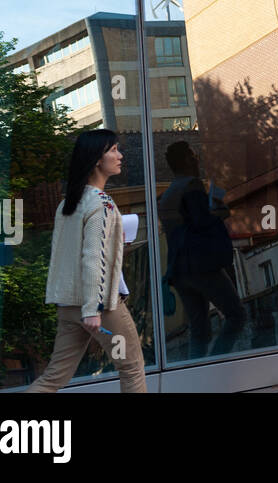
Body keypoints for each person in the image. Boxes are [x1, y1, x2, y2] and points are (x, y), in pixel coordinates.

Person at [26, 129, 147, 393]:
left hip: (69, 305)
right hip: (99, 306)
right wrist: (92, 309)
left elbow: (71, 255)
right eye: (113, 149)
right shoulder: (101, 203)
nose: (120, 155)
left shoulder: (68, 204)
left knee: (53, 378)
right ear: (96, 159)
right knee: (132, 368)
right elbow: (93, 258)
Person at [157, 141, 245, 359]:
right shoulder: (191, 186)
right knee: (236, 316)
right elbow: (201, 221)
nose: (197, 159)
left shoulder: (168, 195)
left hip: (178, 270)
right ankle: (216, 365)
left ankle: (196, 375)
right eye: (193, 155)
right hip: (202, 265)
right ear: (186, 160)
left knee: (199, 331)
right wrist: (219, 211)